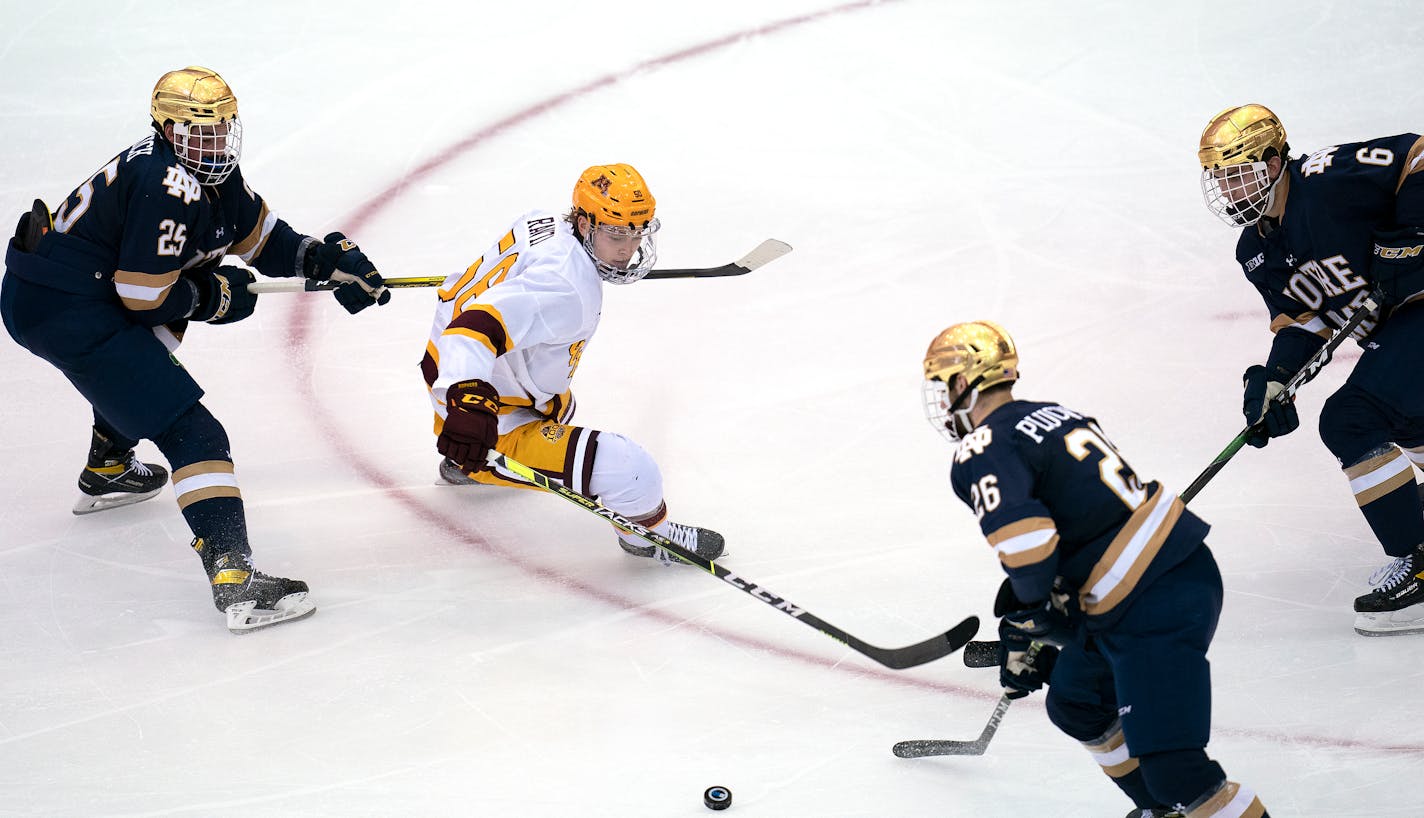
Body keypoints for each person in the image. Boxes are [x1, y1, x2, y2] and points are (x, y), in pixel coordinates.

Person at [1, 66, 392, 632]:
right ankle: (235, 579)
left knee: (149, 357)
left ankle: (108, 465)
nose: (213, 143)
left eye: (221, 129)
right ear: (166, 128)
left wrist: (326, 262)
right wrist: (211, 297)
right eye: (197, 132)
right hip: (65, 309)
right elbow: (141, 295)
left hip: (63, 292)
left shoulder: (207, 175)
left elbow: (262, 240)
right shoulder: (168, 184)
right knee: (196, 435)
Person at [923, 321, 1268, 818]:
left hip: (1153, 602)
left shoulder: (982, 446)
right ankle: (1163, 812)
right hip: (1161, 578)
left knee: (1176, 770)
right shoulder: (1052, 414)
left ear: (963, 382)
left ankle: (1176, 802)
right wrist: (1040, 616)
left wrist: (1030, 613)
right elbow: (1080, 521)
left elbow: (1029, 543)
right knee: (1076, 702)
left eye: (945, 383)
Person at [423, 163, 724, 564]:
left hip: (459, 368)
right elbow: (471, 329)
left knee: (560, 405)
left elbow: (489, 290)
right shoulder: (567, 288)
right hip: (476, 396)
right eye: (616, 233)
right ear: (583, 224)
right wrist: (469, 405)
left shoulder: (543, 223)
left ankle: (466, 450)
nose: (628, 248)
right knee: (632, 472)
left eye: (637, 232)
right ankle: (647, 538)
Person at [1198, 104, 1424, 636]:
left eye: (1239, 174)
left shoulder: (1326, 179)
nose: (1231, 191)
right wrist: (1277, 379)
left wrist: (1411, 236)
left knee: (1351, 418)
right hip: (1399, 338)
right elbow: (1306, 320)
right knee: (1401, 417)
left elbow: (1418, 153)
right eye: (1221, 179)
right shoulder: (1255, 248)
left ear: (1275, 160)